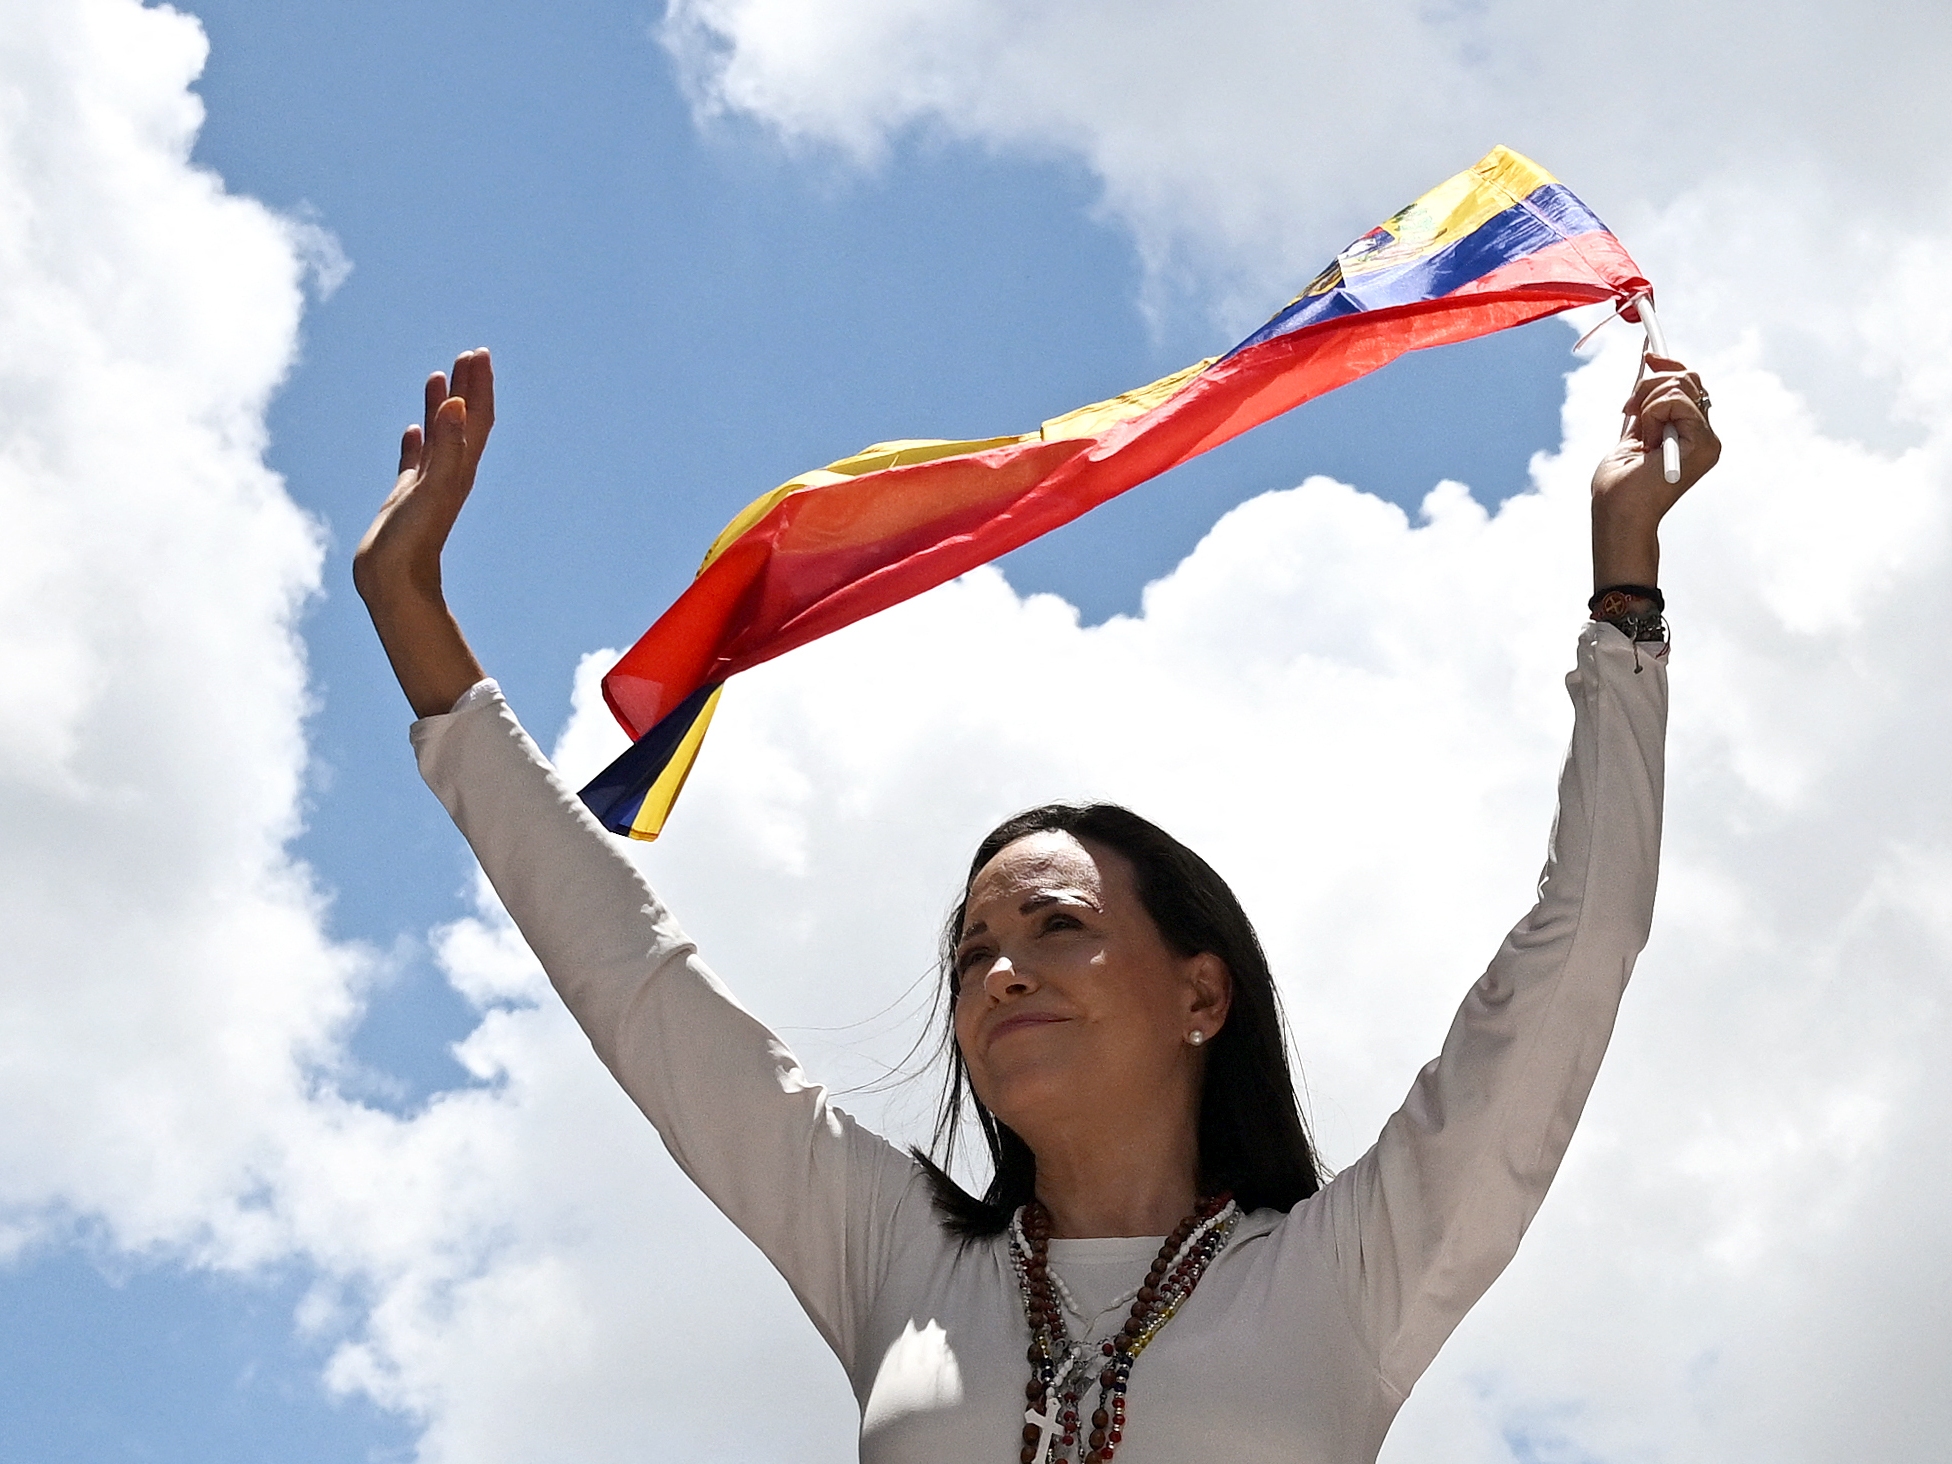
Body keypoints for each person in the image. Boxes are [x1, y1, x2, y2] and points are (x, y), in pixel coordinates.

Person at [354, 346, 1720, 1464]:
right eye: (973, 956)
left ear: (1202, 992)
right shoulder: (894, 1254)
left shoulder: (1350, 1272)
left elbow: (1581, 941)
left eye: (1059, 926)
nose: (1001, 973)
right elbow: (635, 981)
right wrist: (412, 611)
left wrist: (1624, 589)